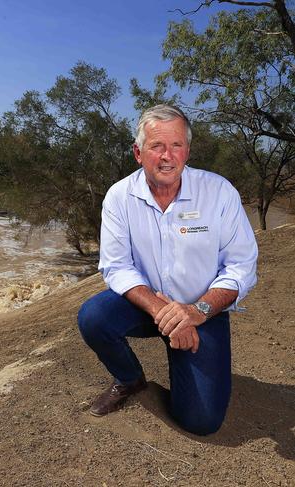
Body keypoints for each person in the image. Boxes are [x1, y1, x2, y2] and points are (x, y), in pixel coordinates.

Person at [77, 104, 258, 436]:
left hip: (203, 310)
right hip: (147, 307)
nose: (167, 156)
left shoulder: (218, 192)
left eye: (176, 145)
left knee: (202, 422)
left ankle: (191, 366)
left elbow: (241, 266)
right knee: (94, 316)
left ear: (187, 150)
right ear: (138, 152)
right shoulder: (119, 197)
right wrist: (165, 312)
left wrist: (196, 311)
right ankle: (129, 379)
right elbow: (117, 266)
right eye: (157, 146)